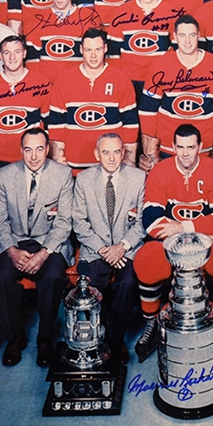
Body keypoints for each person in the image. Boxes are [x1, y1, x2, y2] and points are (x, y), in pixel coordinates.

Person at [133, 124, 213, 362]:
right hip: (172, 244)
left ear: (200, 148)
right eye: (180, 147)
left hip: (204, 244)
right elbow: (151, 222)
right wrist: (197, 231)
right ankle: (151, 323)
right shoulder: (160, 171)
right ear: (172, 147)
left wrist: (182, 227)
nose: (185, 153)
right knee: (146, 259)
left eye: (190, 147)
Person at [0, 127, 75, 367]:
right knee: (2, 277)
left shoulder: (62, 175)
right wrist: (11, 250)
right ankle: (15, 337)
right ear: (21, 150)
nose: (34, 156)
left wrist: (43, 254)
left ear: (47, 149)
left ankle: (45, 339)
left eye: (39, 149)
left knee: (53, 277)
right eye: (28, 150)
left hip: (50, 242)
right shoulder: (5, 175)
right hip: (15, 240)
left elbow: (64, 222)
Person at [71, 133, 147, 363]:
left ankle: (117, 339)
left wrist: (122, 247)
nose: (112, 158)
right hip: (96, 248)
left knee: (127, 283)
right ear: (97, 154)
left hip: (128, 248)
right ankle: (103, 335)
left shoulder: (138, 177)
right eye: (106, 152)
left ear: (123, 153)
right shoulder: (84, 180)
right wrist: (105, 249)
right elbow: (79, 223)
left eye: (117, 152)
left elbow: (144, 221)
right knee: (94, 283)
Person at [138, 15, 213, 171]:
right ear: (175, 37)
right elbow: (147, 110)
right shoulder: (160, 65)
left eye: (192, 35)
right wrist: (151, 153)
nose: (187, 41)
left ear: (198, 35)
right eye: (182, 35)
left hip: (204, 150)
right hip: (168, 150)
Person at [46, 28, 139, 172]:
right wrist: (58, 158)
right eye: (89, 50)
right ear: (81, 49)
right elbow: (56, 123)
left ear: (105, 48)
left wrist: (129, 159)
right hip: (74, 166)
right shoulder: (64, 79)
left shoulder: (121, 79)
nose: (94, 55)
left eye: (98, 49)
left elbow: (130, 124)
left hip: (111, 166)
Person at [0, 35, 52, 186]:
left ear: (24, 53)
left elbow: (50, 125)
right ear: (0, 55)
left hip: (31, 160)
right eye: (7, 53)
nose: (12, 57)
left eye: (17, 51)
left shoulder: (42, 84)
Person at [106, 0, 182, 98]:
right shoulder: (122, 12)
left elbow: (177, 51)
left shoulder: (172, 13)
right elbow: (113, 51)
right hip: (129, 79)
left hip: (159, 79)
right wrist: (119, 78)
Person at [22, 0, 103, 80]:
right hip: (48, 84)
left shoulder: (88, 18)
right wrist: (40, 85)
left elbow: (94, 57)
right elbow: (32, 62)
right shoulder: (37, 20)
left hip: (79, 82)